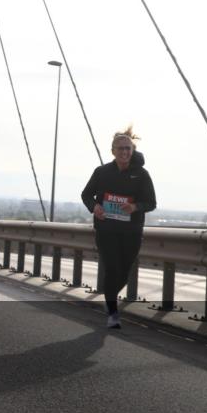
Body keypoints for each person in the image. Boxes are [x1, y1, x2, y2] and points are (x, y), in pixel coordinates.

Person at [80, 127, 157, 329]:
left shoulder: (141, 175)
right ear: (113, 151)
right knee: (112, 268)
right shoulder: (101, 172)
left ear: (132, 150)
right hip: (106, 230)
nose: (124, 152)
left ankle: (110, 297)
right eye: (120, 148)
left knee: (123, 272)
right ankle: (113, 313)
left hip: (131, 232)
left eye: (127, 148)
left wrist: (135, 207)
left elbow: (151, 203)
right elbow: (86, 195)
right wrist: (94, 207)